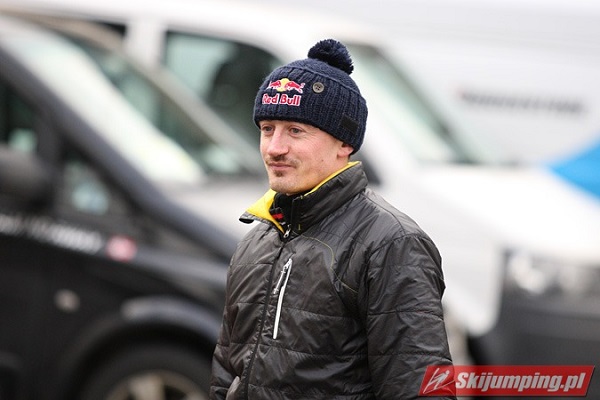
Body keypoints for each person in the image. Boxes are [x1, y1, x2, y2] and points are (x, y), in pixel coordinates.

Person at [210, 39, 455, 399]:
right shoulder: (256, 240)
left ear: (344, 143)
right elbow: (225, 375)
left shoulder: (391, 244)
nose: (275, 148)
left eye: (295, 131)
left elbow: (419, 387)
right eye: (267, 128)